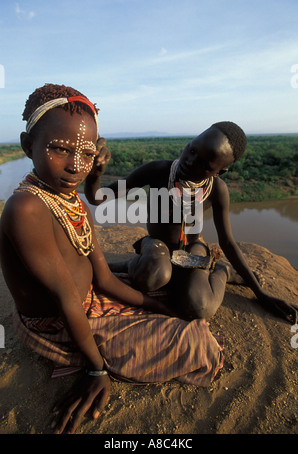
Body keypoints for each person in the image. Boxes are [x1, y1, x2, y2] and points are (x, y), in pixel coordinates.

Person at [0, 84, 225, 435]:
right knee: (197, 344)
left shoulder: (70, 200)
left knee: (176, 305)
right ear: (29, 145)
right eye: (60, 149)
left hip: (87, 297)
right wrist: (95, 370)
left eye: (86, 154)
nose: (76, 165)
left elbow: (102, 278)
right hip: (59, 320)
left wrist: (155, 307)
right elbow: (64, 298)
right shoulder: (25, 207)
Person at [85, 122, 298, 324]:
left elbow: (228, 242)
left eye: (204, 164)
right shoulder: (157, 171)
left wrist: (260, 294)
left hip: (192, 249)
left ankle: (222, 270)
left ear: (219, 172)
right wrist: (95, 174)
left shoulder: (217, 190)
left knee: (198, 308)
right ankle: (132, 264)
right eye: (192, 150)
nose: (190, 161)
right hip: (157, 244)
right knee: (152, 276)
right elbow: (97, 198)